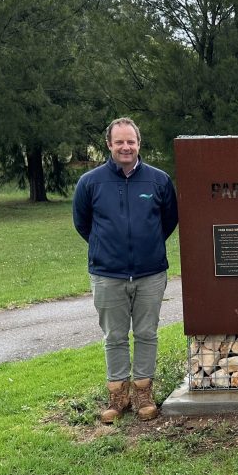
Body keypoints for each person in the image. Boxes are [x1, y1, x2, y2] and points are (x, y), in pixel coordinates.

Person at [73, 117, 178, 423]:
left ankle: (143, 392)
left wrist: (148, 246)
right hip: (108, 274)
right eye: (119, 142)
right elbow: (84, 224)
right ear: (109, 145)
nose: (125, 147)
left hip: (150, 273)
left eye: (130, 141)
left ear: (139, 144)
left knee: (146, 333)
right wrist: (107, 248)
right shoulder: (90, 183)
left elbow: (168, 220)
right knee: (114, 336)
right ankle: (118, 396)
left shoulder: (158, 181)